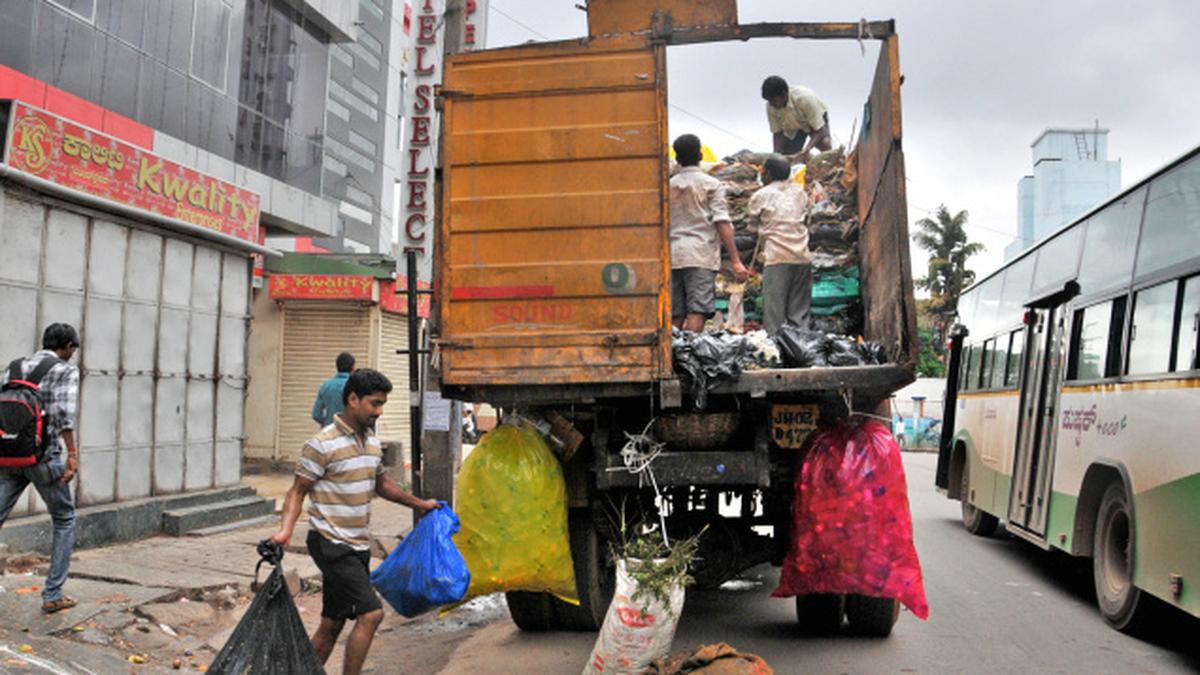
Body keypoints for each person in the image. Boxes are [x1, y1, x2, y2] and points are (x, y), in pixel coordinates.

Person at [271, 368, 438, 675]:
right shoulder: (320, 445)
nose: (379, 411)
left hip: (357, 545)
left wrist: (420, 504)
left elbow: (382, 486)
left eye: (382, 404)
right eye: (374, 403)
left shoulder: (372, 444)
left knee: (332, 624)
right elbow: (297, 492)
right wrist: (285, 531)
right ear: (352, 399)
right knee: (372, 614)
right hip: (331, 543)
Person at [0, 323, 81, 614]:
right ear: (69, 347)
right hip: (44, 458)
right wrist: (72, 454)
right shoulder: (64, 370)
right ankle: (53, 595)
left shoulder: (14, 367)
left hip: (9, 456)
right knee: (64, 518)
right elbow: (63, 415)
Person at [670, 133, 750, 332]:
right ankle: (687, 355)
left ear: (678, 158)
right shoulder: (711, 184)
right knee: (698, 310)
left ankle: (671, 356)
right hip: (700, 255)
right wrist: (736, 260)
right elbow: (722, 223)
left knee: (675, 313)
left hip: (672, 255)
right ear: (700, 156)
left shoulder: (667, 186)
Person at [751, 156, 813, 335]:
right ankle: (802, 355)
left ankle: (778, 357)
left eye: (763, 172)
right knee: (799, 317)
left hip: (777, 258)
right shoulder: (799, 193)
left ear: (768, 174)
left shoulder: (760, 195)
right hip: (802, 257)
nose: (761, 176)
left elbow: (751, 229)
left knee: (774, 319)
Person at [761, 75, 832, 162]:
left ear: (784, 95)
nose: (771, 104)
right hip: (794, 127)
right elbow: (777, 132)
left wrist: (805, 150)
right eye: (769, 101)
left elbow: (819, 130)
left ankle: (831, 163)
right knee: (787, 157)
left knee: (825, 143)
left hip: (814, 122)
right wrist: (776, 155)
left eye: (774, 101)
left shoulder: (805, 98)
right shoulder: (770, 106)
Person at [312, 352, 355, 427]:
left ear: (337, 367)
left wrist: (327, 423)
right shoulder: (356, 386)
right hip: (350, 432)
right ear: (352, 368)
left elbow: (316, 415)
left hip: (330, 432)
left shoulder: (326, 386)